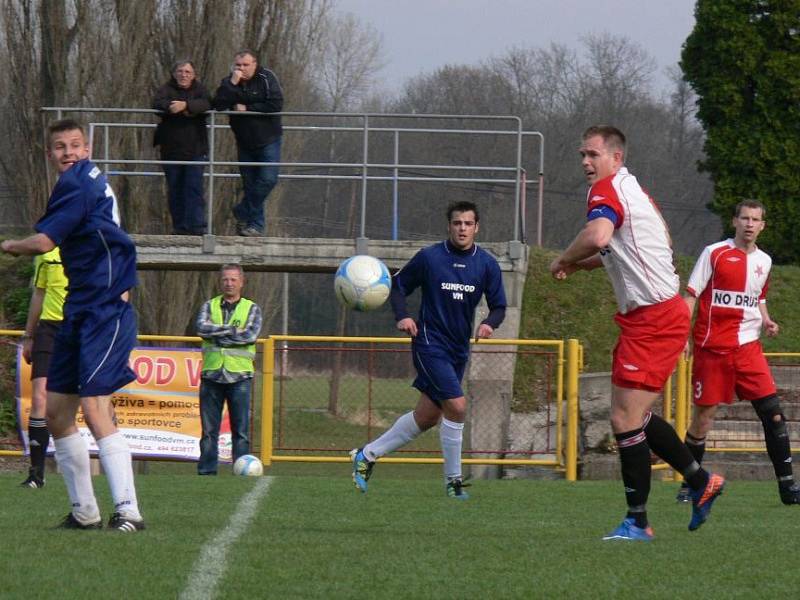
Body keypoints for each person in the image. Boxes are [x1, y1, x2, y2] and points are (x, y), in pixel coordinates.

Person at [549, 125, 724, 541]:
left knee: (624, 418)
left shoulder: (607, 190)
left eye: (593, 154)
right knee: (635, 417)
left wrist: (562, 257)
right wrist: (581, 264)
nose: (586, 163)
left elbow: (598, 236)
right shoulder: (630, 191)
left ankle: (639, 521)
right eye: (582, 155)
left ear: (616, 157)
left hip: (654, 320)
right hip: (651, 317)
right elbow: (619, 251)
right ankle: (700, 481)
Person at [1, 119, 145, 531]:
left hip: (104, 309)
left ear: (88, 148)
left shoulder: (78, 183)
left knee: (97, 408)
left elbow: (44, 242)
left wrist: (9, 245)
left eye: (75, 145)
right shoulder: (85, 180)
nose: (68, 152)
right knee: (60, 414)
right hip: (78, 310)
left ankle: (128, 511)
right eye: (60, 147)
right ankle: (84, 512)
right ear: (50, 153)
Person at [350, 200, 507, 499]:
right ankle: (453, 482)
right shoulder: (430, 258)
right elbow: (397, 286)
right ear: (449, 226)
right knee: (458, 407)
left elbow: (499, 306)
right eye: (457, 223)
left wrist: (489, 323)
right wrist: (403, 316)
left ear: (477, 228)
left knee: (427, 416)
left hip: (458, 349)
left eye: (468, 224)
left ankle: (366, 455)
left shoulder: (486, 264)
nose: (462, 228)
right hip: (429, 343)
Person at [676, 200, 800, 505]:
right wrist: (682, 336)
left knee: (773, 415)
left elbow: (758, 296)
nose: (749, 224)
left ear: (762, 226)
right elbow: (690, 295)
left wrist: (767, 319)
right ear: (735, 221)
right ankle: (691, 483)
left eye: (755, 219)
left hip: (748, 350)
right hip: (712, 349)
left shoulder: (765, 262)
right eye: (744, 218)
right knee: (703, 419)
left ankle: (788, 488)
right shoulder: (714, 253)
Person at [195, 264, 262, 475]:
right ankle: (206, 473)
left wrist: (218, 333)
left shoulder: (252, 308)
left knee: (240, 431)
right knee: (208, 431)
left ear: (241, 282)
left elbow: (249, 335)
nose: (229, 283)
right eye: (225, 279)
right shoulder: (209, 305)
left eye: (233, 280)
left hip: (239, 377)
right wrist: (233, 331)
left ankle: (241, 472)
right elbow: (201, 328)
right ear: (220, 281)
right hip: (212, 375)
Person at [213, 49, 283, 237]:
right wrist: (232, 84)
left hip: (268, 139)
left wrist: (248, 108)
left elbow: (276, 104)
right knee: (250, 184)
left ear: (255, 64)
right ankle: (255, 226)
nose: (241, 68)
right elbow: (218, 104)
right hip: (244, 141)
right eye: (238, 65)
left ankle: (242, 211)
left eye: (245, 65)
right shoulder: (230, 81)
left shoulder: (266, 77)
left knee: (268, 179)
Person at [19, 247, 67, 488]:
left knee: (93, 402)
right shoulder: (47, 252)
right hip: (49, 329)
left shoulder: (89, 244)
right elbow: (39, 293)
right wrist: (29, 335)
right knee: (39, 398)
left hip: (81, 325)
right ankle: (36, 475)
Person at [153, 59, 212, 235]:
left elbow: (208, 104)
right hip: (171, 149)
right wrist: (172, 108)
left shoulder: (200, 89)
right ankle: (180, 227)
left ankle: (197, 226)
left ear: (193, 75)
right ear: (174, 73)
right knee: (175, 189)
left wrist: (186, 106)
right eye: (180, 71)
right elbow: (156, 104)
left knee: (194, 188)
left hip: (195, 149)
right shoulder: (166, 89)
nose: (183, 75)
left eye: (187, 72)